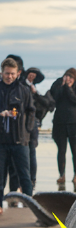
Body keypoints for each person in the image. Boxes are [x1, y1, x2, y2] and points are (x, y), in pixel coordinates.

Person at [0, 57, 35, 213]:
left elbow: (31, 111)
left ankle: (31, 206)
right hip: (1, 141)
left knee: (25, 176)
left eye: (12, 74)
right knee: (0, 176)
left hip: (20, 140)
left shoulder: (23, 90)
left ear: (18, 73)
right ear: (2, 73)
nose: (9, 76)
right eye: (7, 73)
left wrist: (27, 130)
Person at [49, 68, 76, 191]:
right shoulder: (58, 85)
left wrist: (68, 88)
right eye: (66, 76)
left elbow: (75, 100)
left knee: (75, 150)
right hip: (60, 123)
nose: (68, 79)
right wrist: (63, 86)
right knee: (61, 150)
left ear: (74, 79)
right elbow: (55, 98)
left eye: (71, 77)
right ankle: (62, 174)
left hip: (75, 124)